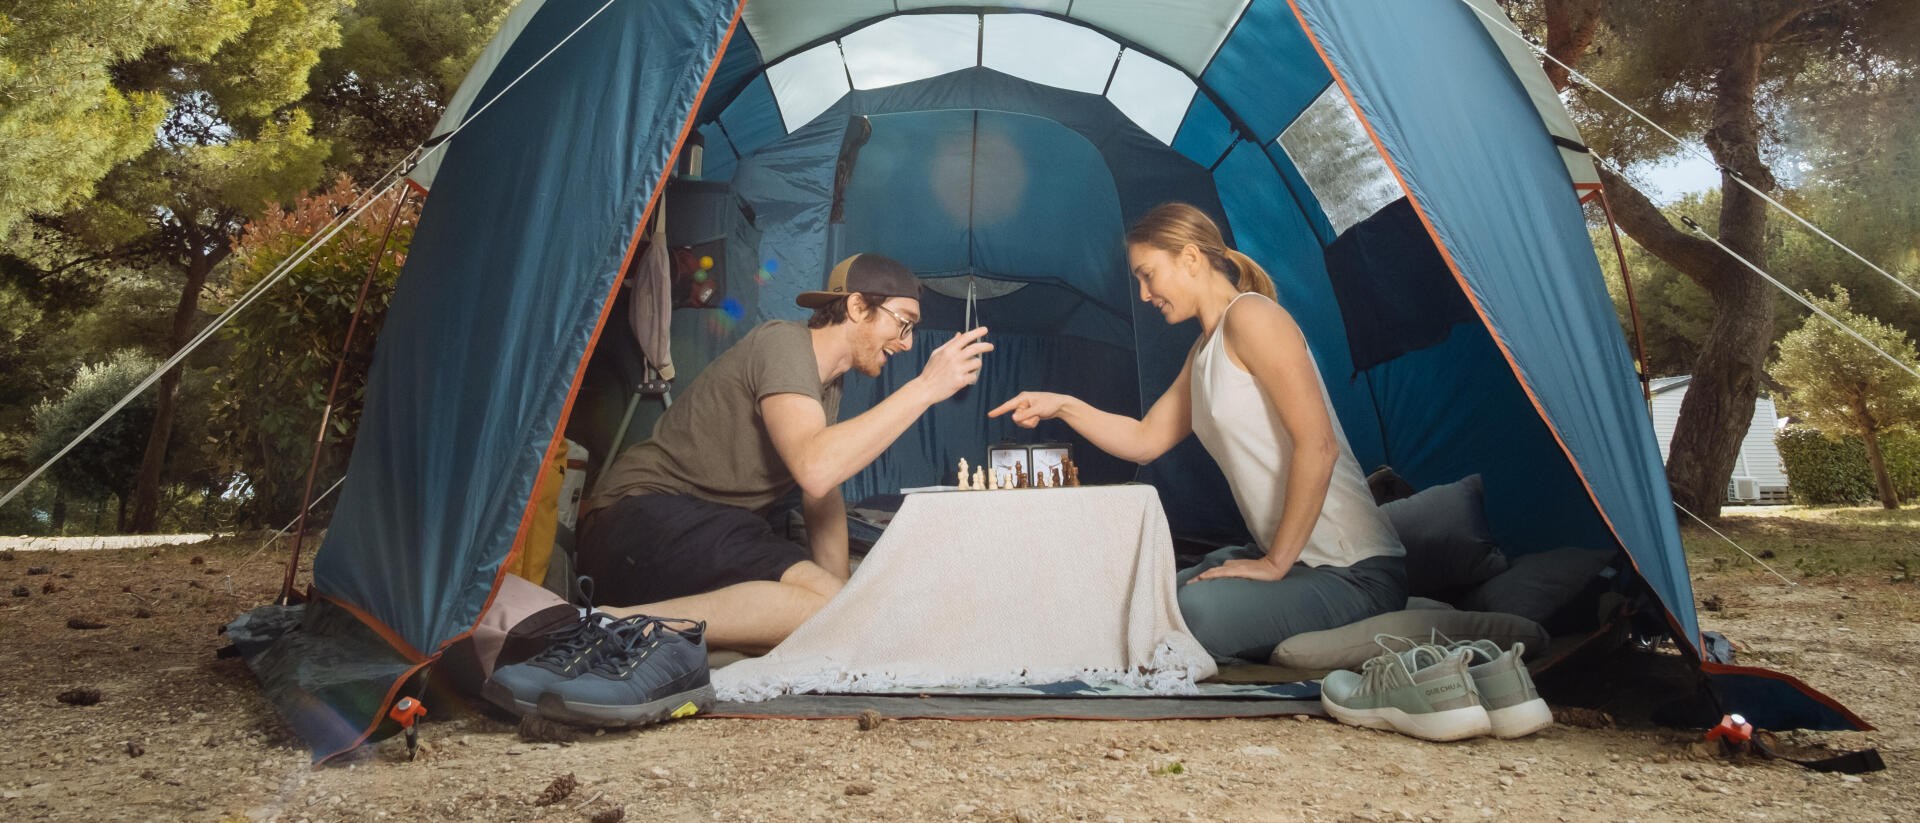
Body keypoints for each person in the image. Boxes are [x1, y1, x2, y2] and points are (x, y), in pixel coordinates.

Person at [990, 203, 1406, 662]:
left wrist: (1274, 564)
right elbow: (1146, 440)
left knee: (1186, 614)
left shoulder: (1254, 317)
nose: (1145, 294)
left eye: (1147, 274)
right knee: (1145, 601)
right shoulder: (1206, 347)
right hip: (1297, 566)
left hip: (1352, 573)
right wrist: (1063, 406)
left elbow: (1320, 447)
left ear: (1190, 258)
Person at [579, 253, 992, 653]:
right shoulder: (783, 344)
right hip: (636, 520)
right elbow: (815, 468)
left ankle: (629, 623)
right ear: (857, 307)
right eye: (904, 324)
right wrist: (924, 388)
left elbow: (821, 495)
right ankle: (607, 627)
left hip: (710, 529)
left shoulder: (826, 383)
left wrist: (844, 601)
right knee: (831, 611)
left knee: (837, 609)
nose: (907, 344)